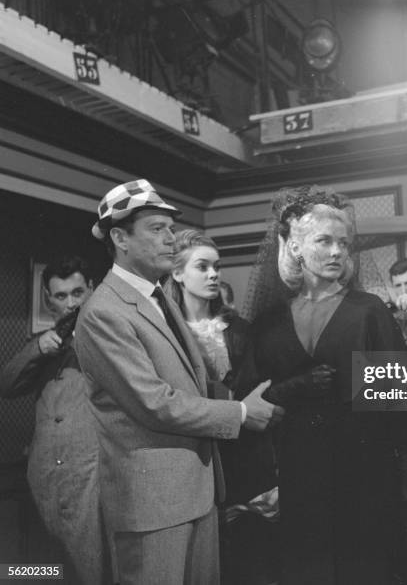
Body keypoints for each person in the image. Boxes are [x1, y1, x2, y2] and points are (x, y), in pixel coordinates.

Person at [74, 179, 283, 585]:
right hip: (153, 506)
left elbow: (191, 382)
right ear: (120, 238)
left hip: (194, 493)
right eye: (156, 229)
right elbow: (154, 402)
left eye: (171, 229)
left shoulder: (158, 297)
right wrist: (241, 411)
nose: (171, 239)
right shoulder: (104, 311)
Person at [238, 185, 407, 585]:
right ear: (295, 247)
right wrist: (294, 388)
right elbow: (251, 401)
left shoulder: (369, 312)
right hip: (298, 475)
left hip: (366, 475)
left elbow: (401, 401)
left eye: (344, 244)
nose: (337, 252)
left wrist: (405, 482)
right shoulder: (268, 323)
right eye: (325, 241)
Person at [165, 230, 278, 585]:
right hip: (192, 462)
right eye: (203, 266)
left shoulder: (241, 329)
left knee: (252, 564)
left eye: (217, 266)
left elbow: (261, 394)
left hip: (245, 463)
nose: (214, 274)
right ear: (178, 273)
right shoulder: (164, 330)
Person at [0, 255, 111, 585]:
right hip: (44, 476)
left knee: (92, 566)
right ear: (49, 302)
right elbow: (7, 385)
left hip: (91, 475)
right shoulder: (46, 343)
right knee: (42, 569)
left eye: (78, 292)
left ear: (92, 290)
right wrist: (37, 348)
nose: (71, 303)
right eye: (61, 296)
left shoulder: (110, 337)